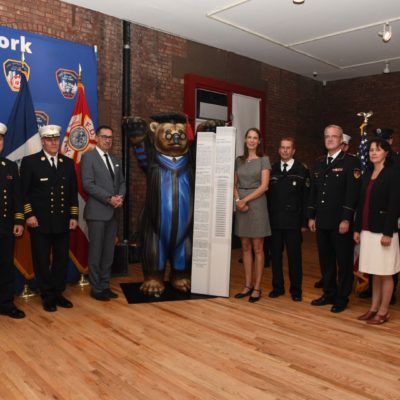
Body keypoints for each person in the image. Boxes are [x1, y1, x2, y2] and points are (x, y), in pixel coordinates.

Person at [20, 125, 78, 312]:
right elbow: (24, 193)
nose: (54, 142)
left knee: (61, 259)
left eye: (56, 139)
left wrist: (74, 216)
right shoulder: (30, 162)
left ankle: (58, 292)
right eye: (49, 139)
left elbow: (72, 193)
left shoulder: (67, 163)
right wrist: (29, 215)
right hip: (40, 222)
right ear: (43, 141)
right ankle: (47, 295)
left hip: (62, 220)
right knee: (42, 260)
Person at [308, 124, 361, 313]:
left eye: (334, 136)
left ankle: (342, 297)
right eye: (327, 136)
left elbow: (352, 194)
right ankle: (329, 292)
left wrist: (346, 219)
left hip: (340, 222)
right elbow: (314, 192)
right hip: (322, 221)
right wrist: (311, 216)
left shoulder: (350, 162)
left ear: (341, 140)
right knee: (326, 260)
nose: (330, 139)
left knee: (343, 261)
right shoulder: (319, 163)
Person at [354, 138, 400, 324]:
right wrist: (357, 229)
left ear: (386, 153)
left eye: (378, 150)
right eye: (371, 149)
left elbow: (394, 204)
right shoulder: (368, 174)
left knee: (386, 272)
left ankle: (383, 311)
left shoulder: (392, 173)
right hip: (367, 230)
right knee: (374, 272)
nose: (373, 152)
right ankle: (373, 308)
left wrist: (388, 232)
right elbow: (360, 204)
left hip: (384, 232)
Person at [81, 125, 126, 301]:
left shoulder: (115, 159)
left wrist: (120, 197)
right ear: (97, 138)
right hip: (97, 213)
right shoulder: (88, 158)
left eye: (110, 137)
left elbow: (122, 182)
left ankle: (105, 285)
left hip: (113, 213)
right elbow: (88, 184)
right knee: (96, 252)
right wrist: (109, 198)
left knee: (108, 253)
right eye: (105, 137)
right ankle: (96, 288)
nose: (108, 140)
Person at [268, 137, 310, 301]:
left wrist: (305, 222)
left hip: (293, 222)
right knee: (276, 257)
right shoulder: (272, 169)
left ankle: (296, 290)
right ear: (279, 150)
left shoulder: (301, 169)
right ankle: (278, 288)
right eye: (282, 148)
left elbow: (306, 197)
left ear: (293, 151)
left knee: (294, 258)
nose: (285, 150)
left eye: (288, 148)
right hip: (275, 221)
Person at [234, 128, 271, 303]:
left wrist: (245, 200)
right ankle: (247, 285)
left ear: (259, 141)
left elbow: (264, 186)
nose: (251, 140)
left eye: (255, 138)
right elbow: (233, 183)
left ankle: (257, 287)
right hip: (241, 205)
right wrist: (238, 200)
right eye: (249, 137)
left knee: (258, 248)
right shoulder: (239, 161)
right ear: (245, 139)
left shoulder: (264, 160)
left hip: (256, 205)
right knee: (245, 247)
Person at [0, 123, 25, 319]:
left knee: (6, 265)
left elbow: (17, 196)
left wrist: (19, 221)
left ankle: (6, 303)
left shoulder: (9, 166)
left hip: (6, 226)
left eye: (1, 139)